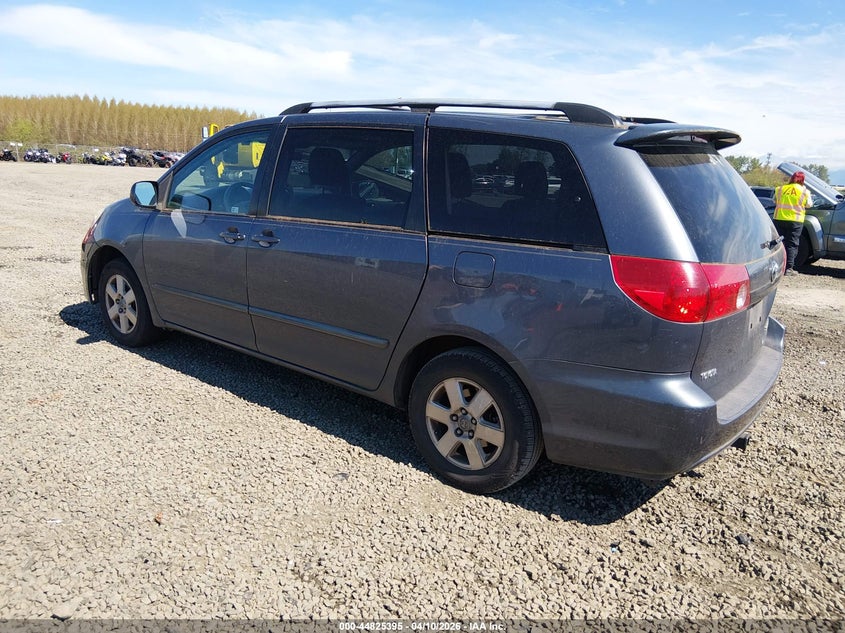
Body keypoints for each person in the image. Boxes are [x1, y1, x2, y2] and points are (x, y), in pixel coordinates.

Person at [773, 171, 812, 275]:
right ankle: (788, 269)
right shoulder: (805, 191)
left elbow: (774, 201)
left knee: (777, 243)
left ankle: (774, 266)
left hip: (779, 219)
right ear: (802, 180)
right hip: (795, 221)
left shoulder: (780, 189)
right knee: (792, 244)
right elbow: (809, 205)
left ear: (792, 178)